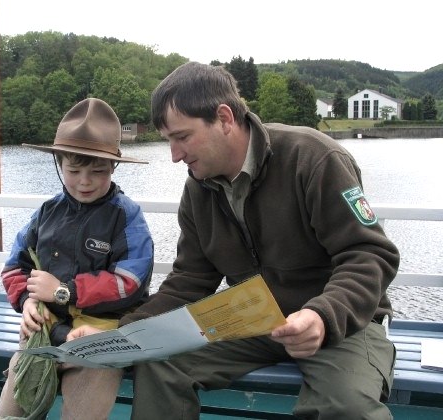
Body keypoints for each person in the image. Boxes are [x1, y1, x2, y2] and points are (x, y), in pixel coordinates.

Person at [70, 62, 400, 419]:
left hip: (343, 323)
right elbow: (190, 281)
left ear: (224, 118)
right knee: (163, 363)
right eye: (169, 141)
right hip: (257, 324)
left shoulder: (314, 159)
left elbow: (369, 254)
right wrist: (122, 335)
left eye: (182, 137)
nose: (175, 155)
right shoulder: (199, 187)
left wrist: (321, 316)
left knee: (345, 407)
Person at [0, 98, 154, 420]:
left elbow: (131, 281)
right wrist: (26, 300)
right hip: (44, 330)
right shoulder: (46, 212)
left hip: (99, 339)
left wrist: (64, 291)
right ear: (59, 164)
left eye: (97, 171)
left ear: (113, 167)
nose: (84, 181)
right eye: (74, 170)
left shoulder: (126, 215)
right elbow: (14, 266)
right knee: (9, 413)